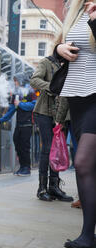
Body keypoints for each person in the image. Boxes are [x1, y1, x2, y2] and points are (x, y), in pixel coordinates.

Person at [55, 0, 96, 248]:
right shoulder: (76, 9)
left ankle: (87, 235)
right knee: (90, 167)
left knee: (81, 163)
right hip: (77, 97)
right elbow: (60, 46)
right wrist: (59, 49)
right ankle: (89, 233)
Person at [30, 55, 74, 202]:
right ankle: (42, 188)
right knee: (48, 148)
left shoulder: (72, 65)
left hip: (62, 114)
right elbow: (34, 80)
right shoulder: (46, 62)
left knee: (58, 149)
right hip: (44, 111)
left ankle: (54, 187)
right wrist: (51, 86)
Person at [0, 79, 37, 177]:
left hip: (28, 124)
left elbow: (34, 105)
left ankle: (26, 168)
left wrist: (20, 104)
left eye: (16, 81)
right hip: (19, 124)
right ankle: (22, 166)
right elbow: (12, 109)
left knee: (25, 146)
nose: (15, 83)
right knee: (17, 143)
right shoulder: (16, 93)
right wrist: (2, 119)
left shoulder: (31, 91)